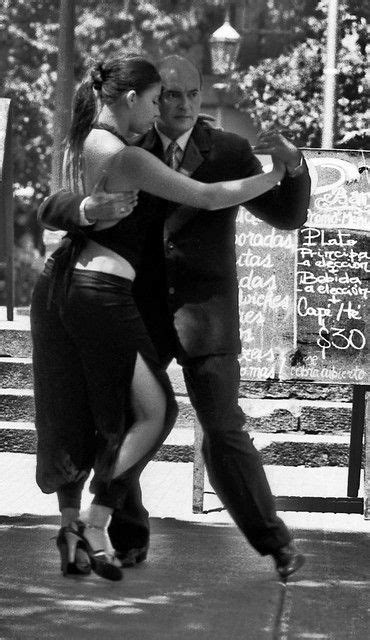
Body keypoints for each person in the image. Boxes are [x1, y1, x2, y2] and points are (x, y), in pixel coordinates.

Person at [38, 55, 311, 580]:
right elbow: (55, 205)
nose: (184, 105)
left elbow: (287, 216)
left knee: (224, 431)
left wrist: (292, 169)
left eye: (193, 93)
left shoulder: (228, 149)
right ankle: (126, 537)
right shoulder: (124, 144)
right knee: (121, 420)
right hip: (133, 306)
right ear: (152, 98)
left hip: (206, 315)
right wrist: (88, 209)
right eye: (172, 95)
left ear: (202, 94)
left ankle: (276, 545)